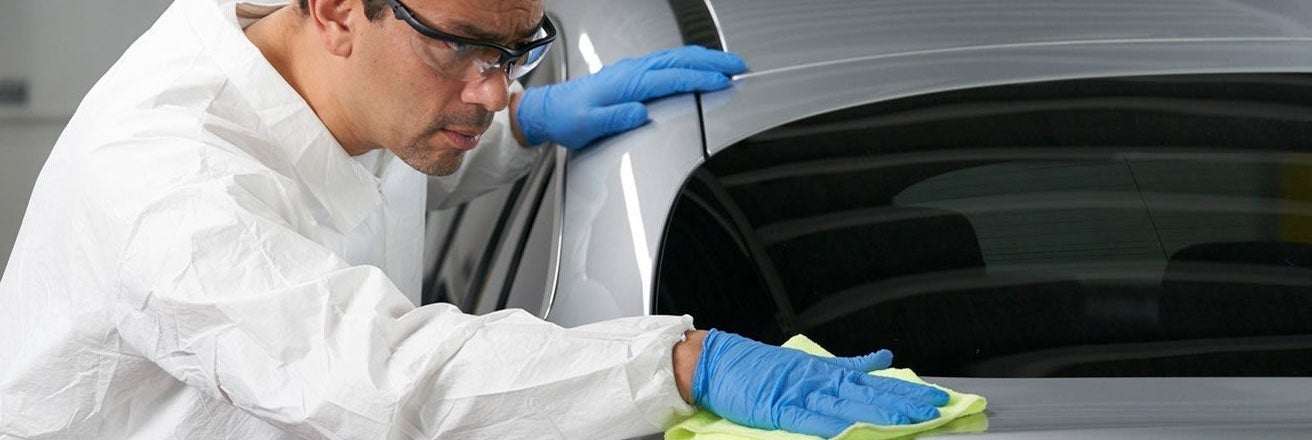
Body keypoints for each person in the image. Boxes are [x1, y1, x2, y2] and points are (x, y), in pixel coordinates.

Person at [0, 0, 948, 438]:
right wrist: (681, 362)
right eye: (466, 51)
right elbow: (377, 375)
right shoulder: (163, 182)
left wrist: (528, 128)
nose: (495, 91)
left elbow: (356, 167)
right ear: (337, 9)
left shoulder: (339, 74)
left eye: (520, 48)